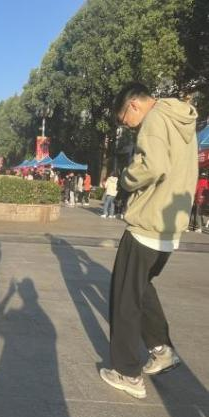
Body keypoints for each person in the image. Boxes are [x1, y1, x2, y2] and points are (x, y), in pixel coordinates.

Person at [99, 82, 198, 399]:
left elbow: (152, 166)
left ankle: (127, 373)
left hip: (148, 222)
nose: (127, 126)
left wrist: (126, 179)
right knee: (141, 289)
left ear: (134, 105)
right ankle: (161, 349)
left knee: (125, 298)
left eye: (124, 119)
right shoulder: (179, 118)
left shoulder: (154, 120)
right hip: (170, 226)